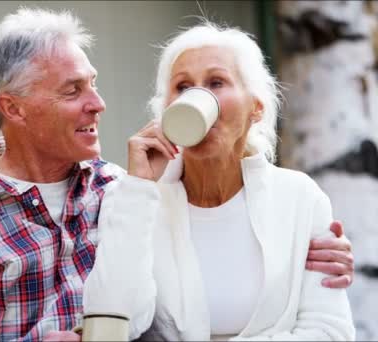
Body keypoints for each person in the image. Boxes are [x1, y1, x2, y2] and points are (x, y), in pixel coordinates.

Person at [0, 9, 354, 341]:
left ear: (256, 108)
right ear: (13, 108)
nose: (98, 103)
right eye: (74, 90)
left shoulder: (120, 188)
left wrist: (322, 250)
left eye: (93, 83)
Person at [83, 21, 355, 341]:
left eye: (216, 82)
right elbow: (113, 325)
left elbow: (330, 331)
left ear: (256, 108)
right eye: (183, 87)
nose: (197, 98)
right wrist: (139, 189)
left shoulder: (300, 197)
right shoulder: (130, 197)